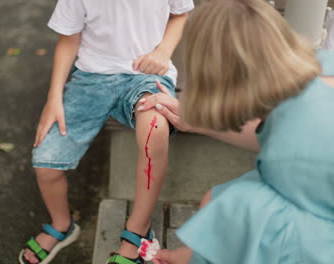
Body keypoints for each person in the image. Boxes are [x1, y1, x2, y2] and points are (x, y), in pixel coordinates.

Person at [137, 0, 334, 263]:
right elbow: (276, 128)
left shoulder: (287, 158)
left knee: (233, 208)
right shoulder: (321, 65)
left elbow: (285, 146)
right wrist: (195, 120)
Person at [19, 1, 194, 263]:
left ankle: (138, 231)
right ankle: (62, 224)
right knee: (46, 164)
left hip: (145, 74)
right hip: (92, 78)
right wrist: (53, 97)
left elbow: (180, 13)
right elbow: (68, 40)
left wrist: (162, 52)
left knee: (154, 129)